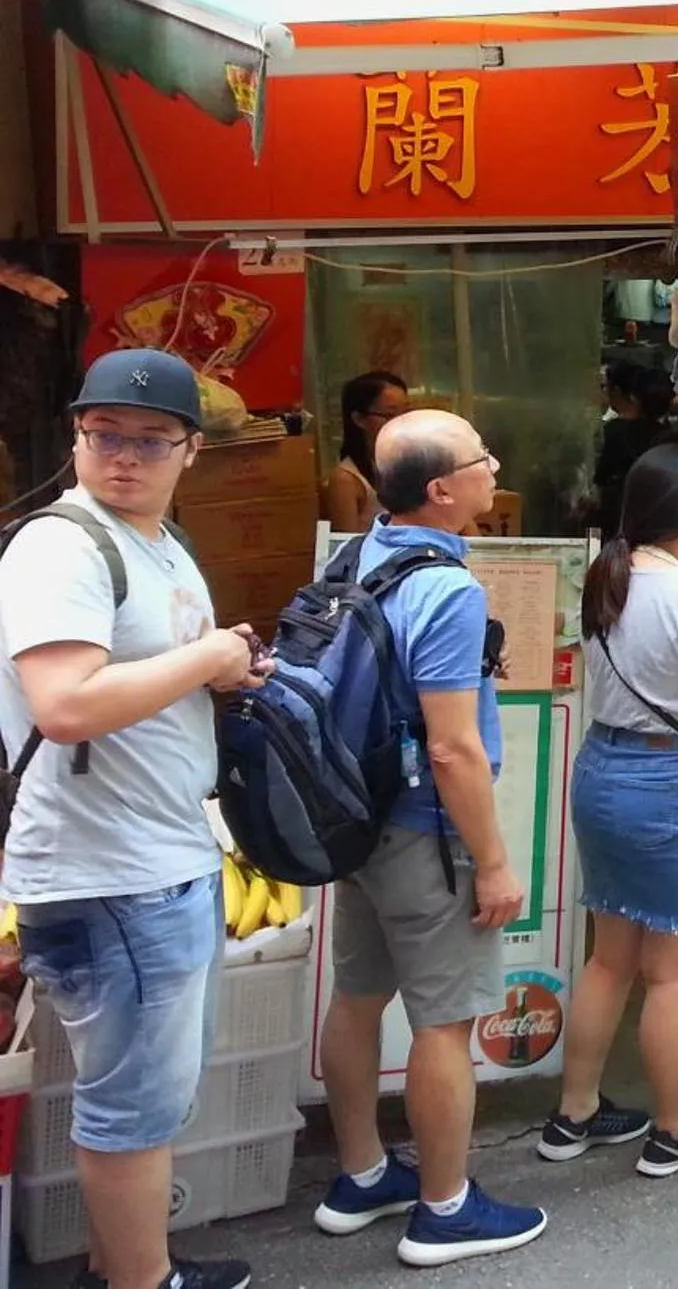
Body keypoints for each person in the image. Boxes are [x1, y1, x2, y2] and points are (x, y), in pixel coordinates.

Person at [1, 350, 270, 1289]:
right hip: (110, 871)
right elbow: (64, 705)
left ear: (191, 449)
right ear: (76, 436)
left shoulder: (156, 542)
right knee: (133, 1111)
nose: (123, 454)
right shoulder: (63, 547)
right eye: (104, 434)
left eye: (151, 440)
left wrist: (225, 669)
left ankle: (122, 1267)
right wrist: (208, 661)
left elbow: (148, 676)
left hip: (158, 856)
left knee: (147, 1098)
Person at [313, 410, 546, 1266]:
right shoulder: (446, 589)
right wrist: (493, 862)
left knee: (357, 997)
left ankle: (362, 1176)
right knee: (445, 1023)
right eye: (483, 459)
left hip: (356, 820)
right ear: (443, 490)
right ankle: (444, 1208)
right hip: (424, 835)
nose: (496, 468)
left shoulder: (356, 554)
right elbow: (452, 748)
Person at [539, 441, 678, 1178]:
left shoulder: (606, 578)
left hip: (603, 772)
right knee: (672, 973)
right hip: (669, 786)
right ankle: (673, 1133)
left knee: (610, 958)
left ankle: (574, 1114)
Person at [590, 363, 675, 541]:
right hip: (663, 521)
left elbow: (601, 478)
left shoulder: (616, 431)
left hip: (624, 522)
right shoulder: (673, 435)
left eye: (605, 387)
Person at [326, 370, 409, 533]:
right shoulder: (346, 480)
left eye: (405, 413)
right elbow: (347, 544)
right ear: (359, 419)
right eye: (390, 415)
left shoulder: (410, 464)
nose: (401, 422)